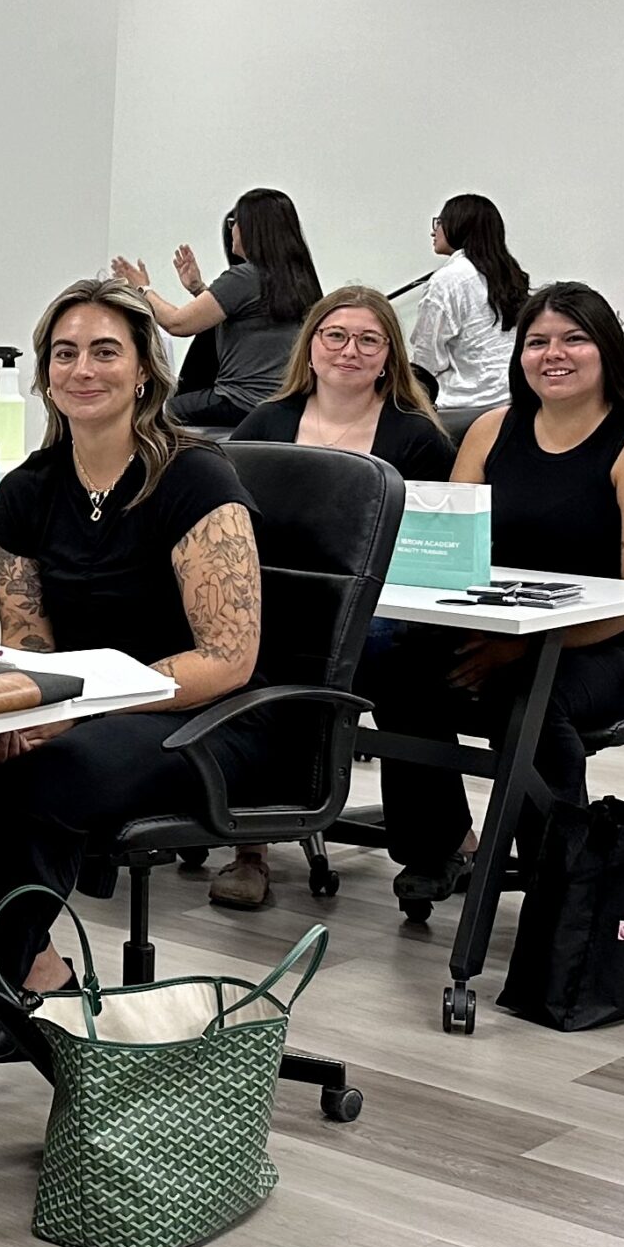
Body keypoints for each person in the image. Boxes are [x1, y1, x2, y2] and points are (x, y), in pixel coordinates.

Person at [0, 276, 271, 1084]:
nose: (83, 369)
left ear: (145, 370)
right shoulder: (28, 489)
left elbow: (229, 655)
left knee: (45, 774)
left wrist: (74, 712)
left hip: (199, 714)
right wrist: (11, 710)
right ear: (46, 373)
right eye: (65, 353)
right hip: (82, 707)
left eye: (105, 351)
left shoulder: (197, 479)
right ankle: (35, 970)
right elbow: (29, 642)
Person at [365, 281, 624, 905]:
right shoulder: (491, 429)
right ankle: (439, 845)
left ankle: (560, 891)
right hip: (509, 625)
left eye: (575, 339)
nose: (554, 355)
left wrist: (522, 647)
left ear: (608, 351)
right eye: (537, 342)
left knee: (528, 700)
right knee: (396, 671)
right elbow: (453, 551)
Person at [207, 284, 454, 911]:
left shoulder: (417, 439)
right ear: (311, 346)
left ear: (390, 355)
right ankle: (249, 845)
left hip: (376, 616)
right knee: (238, 654)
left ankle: (436, 841)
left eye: (369, 340)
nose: (350, 350)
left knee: (397, 668)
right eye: (335, 336)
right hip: (271, 607)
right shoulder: (266, 423)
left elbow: (435, 547)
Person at [113, 187, 323, 434]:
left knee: (148, 410)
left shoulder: (245, 277)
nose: (232, 230)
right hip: (281, 406)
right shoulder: (299, 278)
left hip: (238, 401)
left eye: (235, 222)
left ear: (251, 228)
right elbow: (246, 317)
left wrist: (142, 288)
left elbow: (177, 323)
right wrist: (198, 288)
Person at [410, 194, 528, 432]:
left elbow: (426, 362)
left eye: (439, 222)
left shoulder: (446, 280)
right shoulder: (511, 274)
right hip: (514, 401)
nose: (434, 231)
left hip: (464, 408)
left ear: (458, 226)